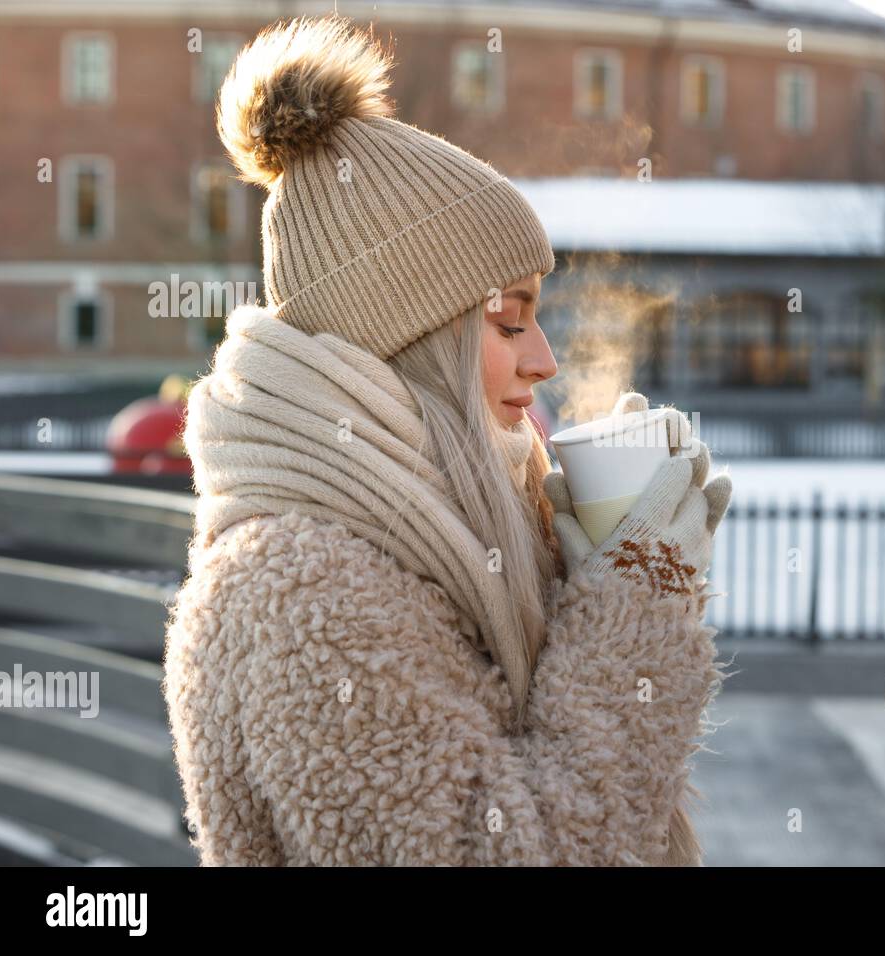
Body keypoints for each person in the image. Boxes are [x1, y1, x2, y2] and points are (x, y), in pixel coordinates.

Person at [162, 15, 733, 866]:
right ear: (411, 339)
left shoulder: (435, 526)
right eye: (507, 322)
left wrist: (590, 574)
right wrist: (637, 608)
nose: (545, 360)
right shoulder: (299, 596)